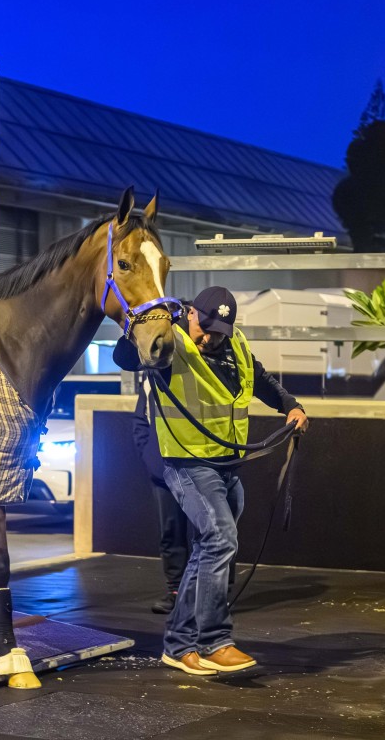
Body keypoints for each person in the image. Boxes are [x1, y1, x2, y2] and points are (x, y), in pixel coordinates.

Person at [114, 285, 308, 677]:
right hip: (186, 462)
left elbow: (261, 379)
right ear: (191, 314)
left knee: (207, 549)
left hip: (226, 463)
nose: (210, 337)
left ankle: (178, 643)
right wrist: (146, 323)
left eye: (218, 330)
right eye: (205, 327)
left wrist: (291, 406)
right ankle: (214, 641)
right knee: (220, 537)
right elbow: (124, 357)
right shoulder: (172, 341)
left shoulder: (232, 342)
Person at [128, 372, 189, 615]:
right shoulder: (150, 378)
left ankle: (209, 595)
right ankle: (175, 591)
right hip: (164, 469)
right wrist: (151, 457)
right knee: (170, 532)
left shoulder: (196, 372)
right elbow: (140, 420)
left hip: (201, 466)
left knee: (209, 534)